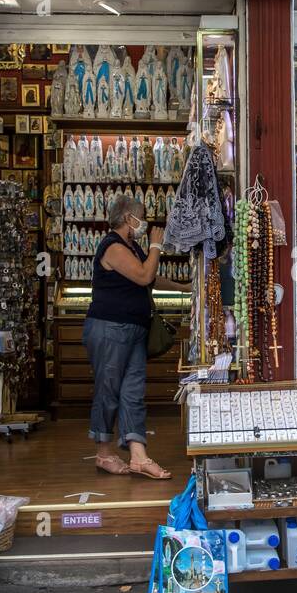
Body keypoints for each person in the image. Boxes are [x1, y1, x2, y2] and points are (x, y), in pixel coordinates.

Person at [83, 195, 186, 479]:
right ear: (129, 218)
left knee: (133, 391)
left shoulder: (133, 246)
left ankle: (138, 456)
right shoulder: (112, 246)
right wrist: (156, 245)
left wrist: (185, 287)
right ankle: (103, 454)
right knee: (109, 389)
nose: (145, 221)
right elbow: (143, 275)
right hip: (110, 327)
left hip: (133, 328)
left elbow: (150, 277)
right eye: (141, 215)